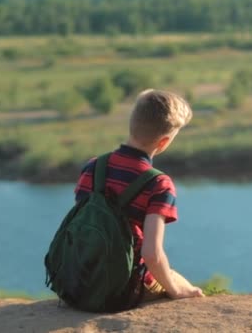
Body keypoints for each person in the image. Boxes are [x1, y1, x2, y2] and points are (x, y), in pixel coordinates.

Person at [74, 89, 204, 301]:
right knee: (185, 287)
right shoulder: (159, 184)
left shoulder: (93, 167)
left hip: (82, 278)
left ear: (132, 124)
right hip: (124, 286)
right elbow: (151, 254)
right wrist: (178, 291)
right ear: (163, 142)